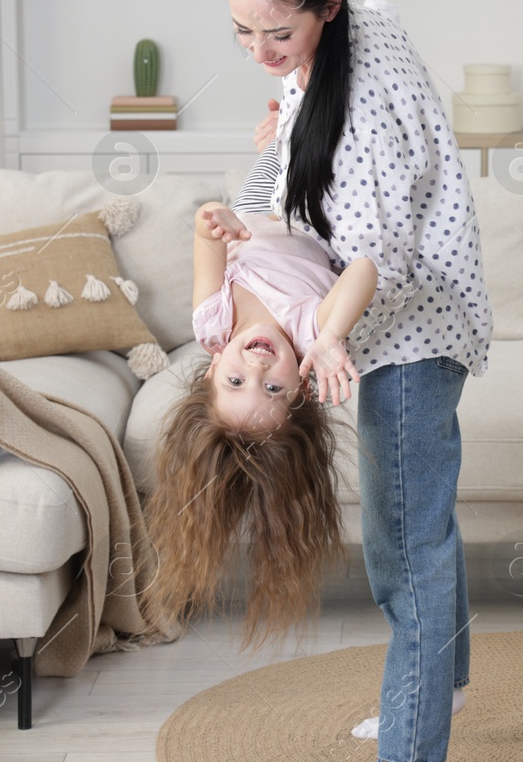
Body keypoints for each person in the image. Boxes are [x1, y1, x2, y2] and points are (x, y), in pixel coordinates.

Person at [223, 0, 493, 762]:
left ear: (328, 5)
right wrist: (275, 146)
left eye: (279, 31)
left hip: (406, 325)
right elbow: (286, 199)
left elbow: (378, 247)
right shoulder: (334, 47)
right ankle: (444, 686)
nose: (261, 50)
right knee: (406, 525)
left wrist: (329, 337)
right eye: (243, 32)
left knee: (408, 540)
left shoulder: (366, 85)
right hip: (384, 319)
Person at [139, 198, 376, 653]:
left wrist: (217, 222)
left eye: (235, 381)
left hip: (257, 200)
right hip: (314, 203)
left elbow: (205, 229)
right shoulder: (310, 333)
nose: (258, 366)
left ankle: (282, 128)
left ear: (211, 370)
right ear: (301, 389)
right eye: (271, 390)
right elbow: (364, 269)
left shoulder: (212, 322)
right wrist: (331, 336)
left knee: (283, 130)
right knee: (302, 129)